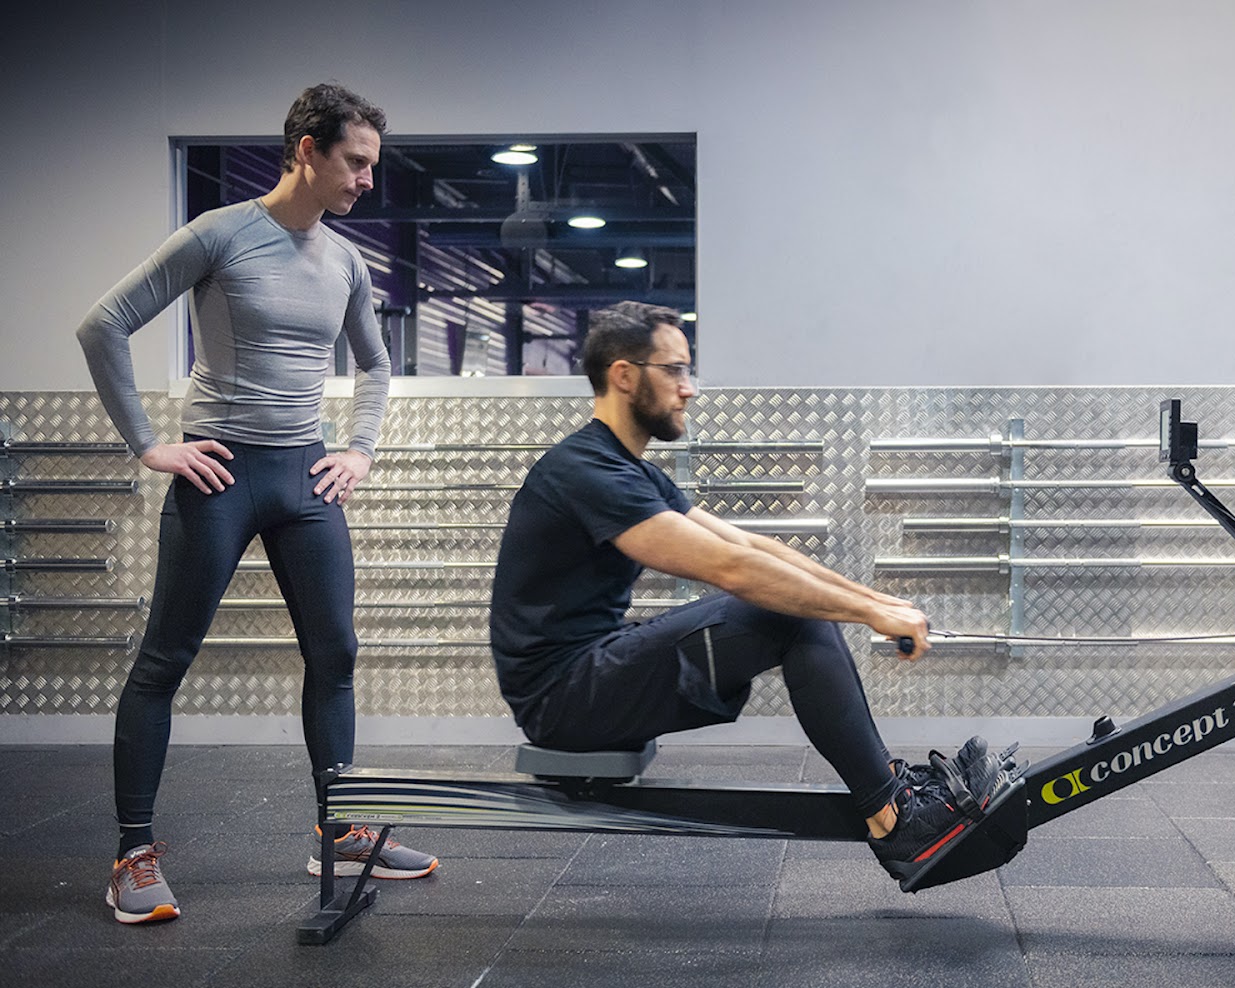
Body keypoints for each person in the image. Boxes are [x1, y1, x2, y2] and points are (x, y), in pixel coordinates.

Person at [489, 301, 1012, 884]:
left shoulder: (629, 469)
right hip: (562, 698)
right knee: (788, 613)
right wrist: (866, 612)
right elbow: (732, 569)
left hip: (591, 672)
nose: (688, 389)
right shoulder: (586, 472)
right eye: (675, 371)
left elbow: (754, 546)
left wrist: (876, 603)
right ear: (624, 376)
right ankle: (896, 823)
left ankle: (889, 793)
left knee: (797, 604)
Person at [79, 84, 437, 925]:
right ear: (307, 150)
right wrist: (148, 443)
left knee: (337, 652)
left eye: (373, 167)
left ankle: (340, 828)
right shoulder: (222, 233)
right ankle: (132, 855)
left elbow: (377, 365)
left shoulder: (346, 260)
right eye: (355, 162)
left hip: (304, 477)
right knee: (165, 660)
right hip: (222, 475)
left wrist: (359, 448)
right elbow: (105, 323)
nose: (366, 182)